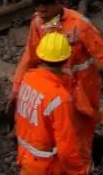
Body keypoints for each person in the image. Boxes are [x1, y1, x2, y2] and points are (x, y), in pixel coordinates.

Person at [10, 0, 103, 165]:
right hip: (56, 88)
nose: (42, 16)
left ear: (57, 4)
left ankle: (84, 164)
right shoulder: (38, 23)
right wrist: (16, 87)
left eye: (45, 11)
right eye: (38, 12)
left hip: (83, 89)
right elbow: (30, 56)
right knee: (62, 132)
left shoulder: (79, 25)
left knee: (83, 132)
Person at [13, 32, 88, 175]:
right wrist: (80, 171)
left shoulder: (28, 78)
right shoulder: (60, 99)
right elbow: (67, 148)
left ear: (41, 56)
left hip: (26, 158)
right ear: (66, 59)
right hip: (46, 166)